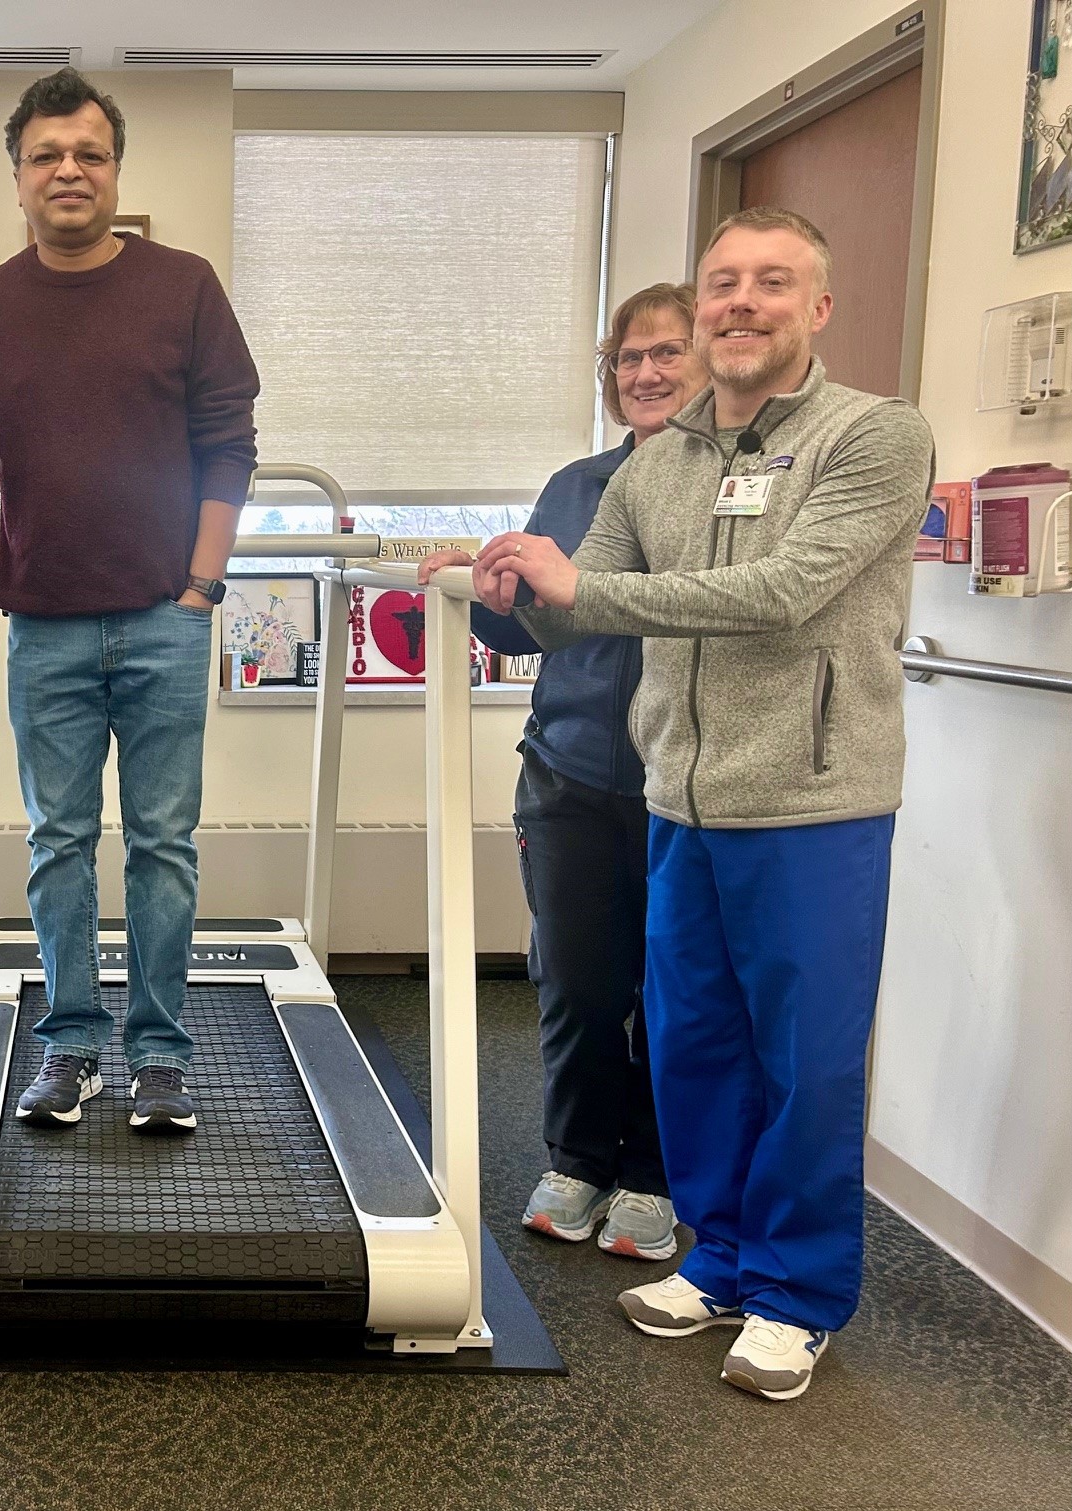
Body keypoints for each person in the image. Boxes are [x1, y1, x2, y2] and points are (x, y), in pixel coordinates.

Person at [475, 208, 934, 1402]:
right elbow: (592, 602)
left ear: (815, 309)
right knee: (694, 1050)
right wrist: (520, 588)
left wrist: (584, 583)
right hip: (677, 794)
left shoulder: (872, 438)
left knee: (805, 1060)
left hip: (811, 802)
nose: (740, 301)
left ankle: (795, 1291)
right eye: (723, 281)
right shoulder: (660, 457)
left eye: (769, 283)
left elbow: (784, 591)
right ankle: (720, 1258)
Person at [0, 68, 260, 1134]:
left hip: (165, 613)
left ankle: (157, 1053)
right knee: (57, 844)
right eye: (46, 156)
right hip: (44, 624)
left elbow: (227, 445)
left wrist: (201, 586)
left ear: (113, 171)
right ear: (16, 177)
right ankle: (69, 1045)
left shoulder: (184, 285)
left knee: (161, 844)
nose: (68, 171)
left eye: (89, 154)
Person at [421, 283, 707, 1262]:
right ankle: (579, 1155)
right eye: (628, 358)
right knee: (577, 981)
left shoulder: (729, 489)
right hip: (568, 772)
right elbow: (540, 624)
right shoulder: (575, 484)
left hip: (686, 782)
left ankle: (651, 1173)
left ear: (710, 363)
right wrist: (486, 594)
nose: (646, 373)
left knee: (669, 990)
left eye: (667, 353)